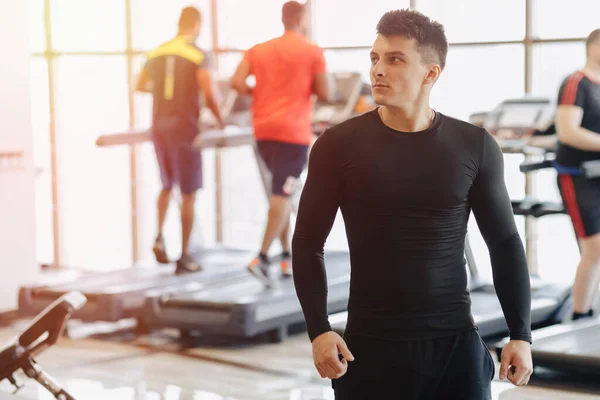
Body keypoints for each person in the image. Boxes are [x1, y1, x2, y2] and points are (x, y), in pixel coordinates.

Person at [292, 9, 533, 399]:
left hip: (454, 346)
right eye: (374, 58)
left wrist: (520, 334)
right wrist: (319, 330)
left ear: (430, 73)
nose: (377, 70)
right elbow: (307, 242)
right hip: (369, 348)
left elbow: (504, 243)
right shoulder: (337, 146)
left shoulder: (474, 146)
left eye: (394, 59)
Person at [230, 1, 329, 285]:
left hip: (263, 130)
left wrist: (259, 92)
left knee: (279, 193)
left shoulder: (259, 49)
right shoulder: (311, 51)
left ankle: (286, 256)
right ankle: (261, 257)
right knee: (282, 196)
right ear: (302, 19)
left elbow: (237, 82)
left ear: (282, 18)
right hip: (292, 133)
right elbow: (324, 90)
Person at [135, 6, 224, 274]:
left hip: (160, 125)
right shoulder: (198, 54)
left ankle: (159, 237)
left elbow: (140, 84)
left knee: (166, 185)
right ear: (196, 25)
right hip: (185, 128)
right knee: (188, 193)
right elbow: (208, 89)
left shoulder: (157, 51)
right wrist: (220, 118)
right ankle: (184, 255)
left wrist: (166, 93)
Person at [553, 28, 600, 321]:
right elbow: (567, 131)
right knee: (594, 247)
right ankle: (580, 315)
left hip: (597, 173)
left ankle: (588, 314)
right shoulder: (576, 82)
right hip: (577, 176)